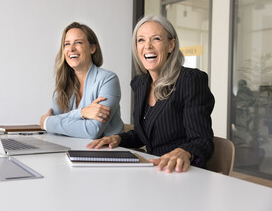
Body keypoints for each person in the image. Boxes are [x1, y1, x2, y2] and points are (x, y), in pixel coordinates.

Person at [87, 15, 215, 173]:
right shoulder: (140, 84)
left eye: (156, 39)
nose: (147, 46)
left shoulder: (190, 80)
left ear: (171, 45)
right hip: (154, 171)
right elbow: (144, 135)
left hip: (182, 173)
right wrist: (118, 138)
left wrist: (185, 152)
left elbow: (202, 140)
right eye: (141, 40)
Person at [40, 21, 124, 139]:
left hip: (105, 152)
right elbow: (52, 128)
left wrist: (48, 122)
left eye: (78, 42)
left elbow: (92, 130)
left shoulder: (108, 79)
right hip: (73, 148)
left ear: (92, 48)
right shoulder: (63, 83)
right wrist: (82, 113)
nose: (72, 49)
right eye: (67, 44)